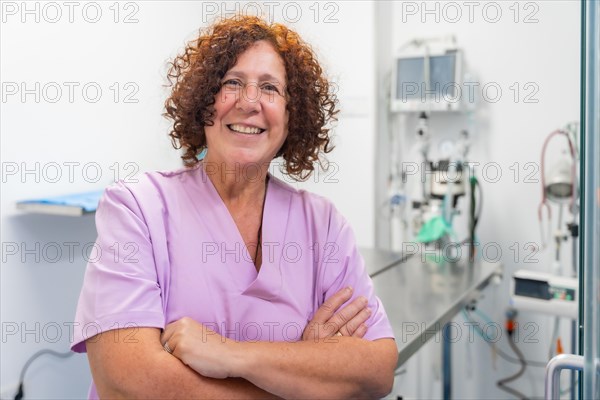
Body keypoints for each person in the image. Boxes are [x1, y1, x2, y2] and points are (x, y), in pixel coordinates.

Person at [71, 15, 398, 399]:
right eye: (232, 83)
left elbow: (376, 370)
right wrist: (304, 373)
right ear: (204, 103)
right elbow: (129, 381)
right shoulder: (137, 207)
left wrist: (231, 355)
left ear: (293, 117)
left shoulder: (323, 226)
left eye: (271, 88)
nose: (249, 102)